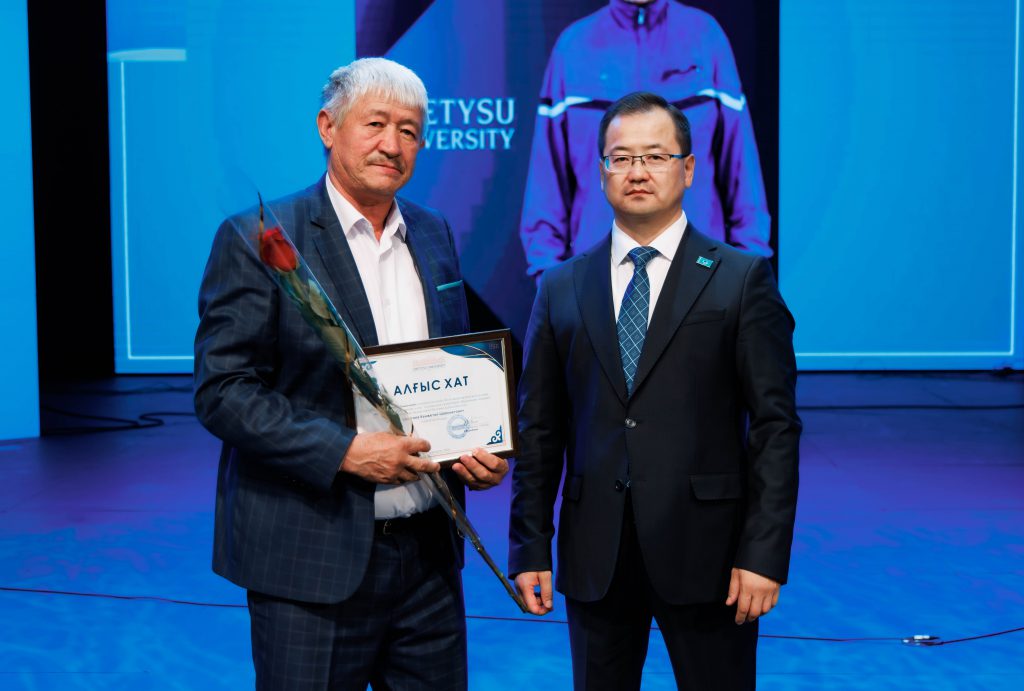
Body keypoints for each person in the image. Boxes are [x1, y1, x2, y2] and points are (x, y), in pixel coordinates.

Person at [194, 57, 508, 690]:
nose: (393, 145)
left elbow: (445, 372)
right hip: (310, 560)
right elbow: (224, 391)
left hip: (428, 558)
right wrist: (346, 452)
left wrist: (476, 452)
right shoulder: (261, 237)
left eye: (410, 131)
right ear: (327, 127)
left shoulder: (433, 232)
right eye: (376, 124)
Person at [509, 91, 800, 691]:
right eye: (621, 158)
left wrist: (763, 554)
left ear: (688, 169)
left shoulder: (741, 279)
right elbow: (539, 430)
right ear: (601, 172)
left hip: (712, 557)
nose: (637, 171)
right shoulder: (561, 287)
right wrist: (530, 547)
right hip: (596, 558)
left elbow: (775, 428)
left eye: (656, 156)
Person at [520, 0, 771, 280]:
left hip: (700, 276)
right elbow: (546, 187)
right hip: (597, 281)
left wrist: (744, 278)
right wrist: (551, 284)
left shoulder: (705, 36)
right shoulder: (573, 47)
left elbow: (743, 178)